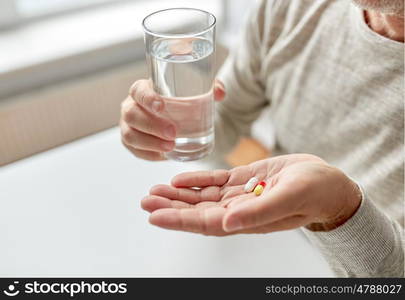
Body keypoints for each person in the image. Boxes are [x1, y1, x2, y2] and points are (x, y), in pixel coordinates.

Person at [120, 0, 404, 277]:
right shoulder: (290, 8)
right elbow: (225, 123)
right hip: (277, 250)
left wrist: (340, 210)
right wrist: (165, 127)